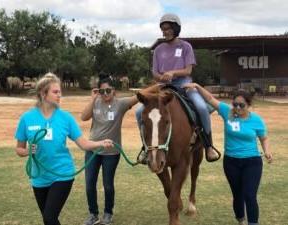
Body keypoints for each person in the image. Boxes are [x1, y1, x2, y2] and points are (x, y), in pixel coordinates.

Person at [15, 73, 113, 225]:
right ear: (43, 93)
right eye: (55, 92)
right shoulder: (27, 119)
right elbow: (19, 149)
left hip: (62, 174)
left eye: (60, 91)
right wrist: (28, 151)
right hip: (39, 177)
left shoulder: (66, 118)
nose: (60, 95)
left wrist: (101, 143)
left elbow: (83, 144)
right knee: (49, 220)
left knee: (49, 217)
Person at [183, 83, 272, 225]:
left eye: (241, 105)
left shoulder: (256, 120)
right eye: (235, 104)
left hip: (252, 162)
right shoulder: (227, 112)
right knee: (238, 195)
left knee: (250, 195)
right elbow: (210, 99)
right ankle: (240, 219)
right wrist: (197, 87)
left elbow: (264, 138)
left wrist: (267, 151)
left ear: (248, 105)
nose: (237, 108)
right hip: (231, 162)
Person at [136, 13, 220, 162]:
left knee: (201, 107)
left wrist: (173, 73)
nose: (165, 31)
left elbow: (188, 70)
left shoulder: (186, 46)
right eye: (163, 29)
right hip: (163, 86)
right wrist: (161, 77)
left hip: (184, 85)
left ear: (176, 28)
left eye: (168, 28)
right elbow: (155, 72)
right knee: (138, 112)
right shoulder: (158, 50)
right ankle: (145, 148)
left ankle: (208, 146)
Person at [81, 72, 143, 225]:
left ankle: (108, 213)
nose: (105, 94)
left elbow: (139, 97)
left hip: (111, 152)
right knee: (89, 184)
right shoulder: (95, 102)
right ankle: (93, 214)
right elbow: (83, 117)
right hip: (93, 150)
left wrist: (157, 87)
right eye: (102, 91)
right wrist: (92, 99)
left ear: (114, 90)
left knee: (108, 184)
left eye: (108, 91)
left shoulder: (120, 104)